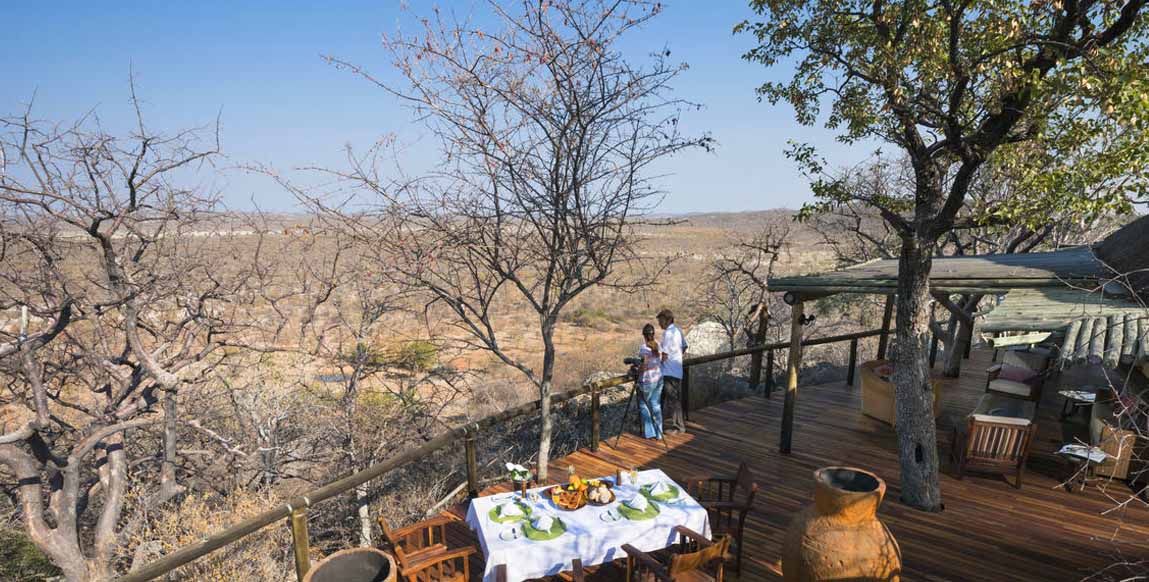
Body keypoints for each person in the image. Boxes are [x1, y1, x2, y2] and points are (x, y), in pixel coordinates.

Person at [657, 309, 687, 434]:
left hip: (669, 371)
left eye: (661, 321)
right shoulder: (678, 331)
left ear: (668, 319)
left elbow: (664, 355)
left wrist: (654, 363)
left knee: (672, 401)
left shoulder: (668, 334)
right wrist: (677, 357)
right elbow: (684, 346)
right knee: (672, 400)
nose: (659, 324)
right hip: (677, 369)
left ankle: (678, 427)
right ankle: (662, 424)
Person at [636, 324, 664, 440]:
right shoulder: (658, 345)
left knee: (643, 405)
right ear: (653, 335)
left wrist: (636, 369)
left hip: (647, 381)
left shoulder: (644, 348)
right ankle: (659, 433)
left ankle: (650, 432)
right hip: (658, 379)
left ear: (644, 335)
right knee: (656, 405)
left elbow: (644, 365)